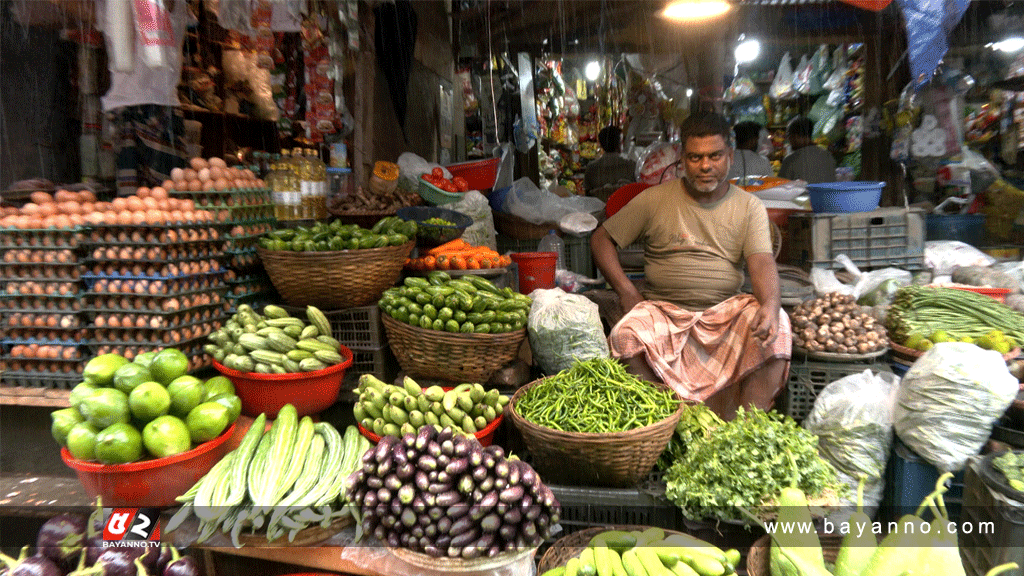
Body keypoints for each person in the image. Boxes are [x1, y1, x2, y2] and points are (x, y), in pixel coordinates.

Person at [589, 111, 790, 420]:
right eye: (695, 158)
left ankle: (745, 429)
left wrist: (771, 303)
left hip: (726, 314)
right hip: (664, 313)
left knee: (779, 331)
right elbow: (601, 239)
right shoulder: (654, 199)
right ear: (682, 159)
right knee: (625, 335)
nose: (705, 165)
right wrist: (627, 291)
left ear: (730, 156)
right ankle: (669, 425)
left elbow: (762, 261)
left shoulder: (748, 206)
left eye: (714, 156)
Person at [583, 126, 636, 202]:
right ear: (619, 143)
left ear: (601, 144)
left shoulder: (591, 168)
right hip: (626, 210)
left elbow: (587, 197)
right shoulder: (631, 165)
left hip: (599, 211)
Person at [778, 116, 836, 184]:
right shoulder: (827, 155)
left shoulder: (790, 160)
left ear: (795, 136)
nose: (788, 141)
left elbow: (780, 188)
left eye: (788, 136)